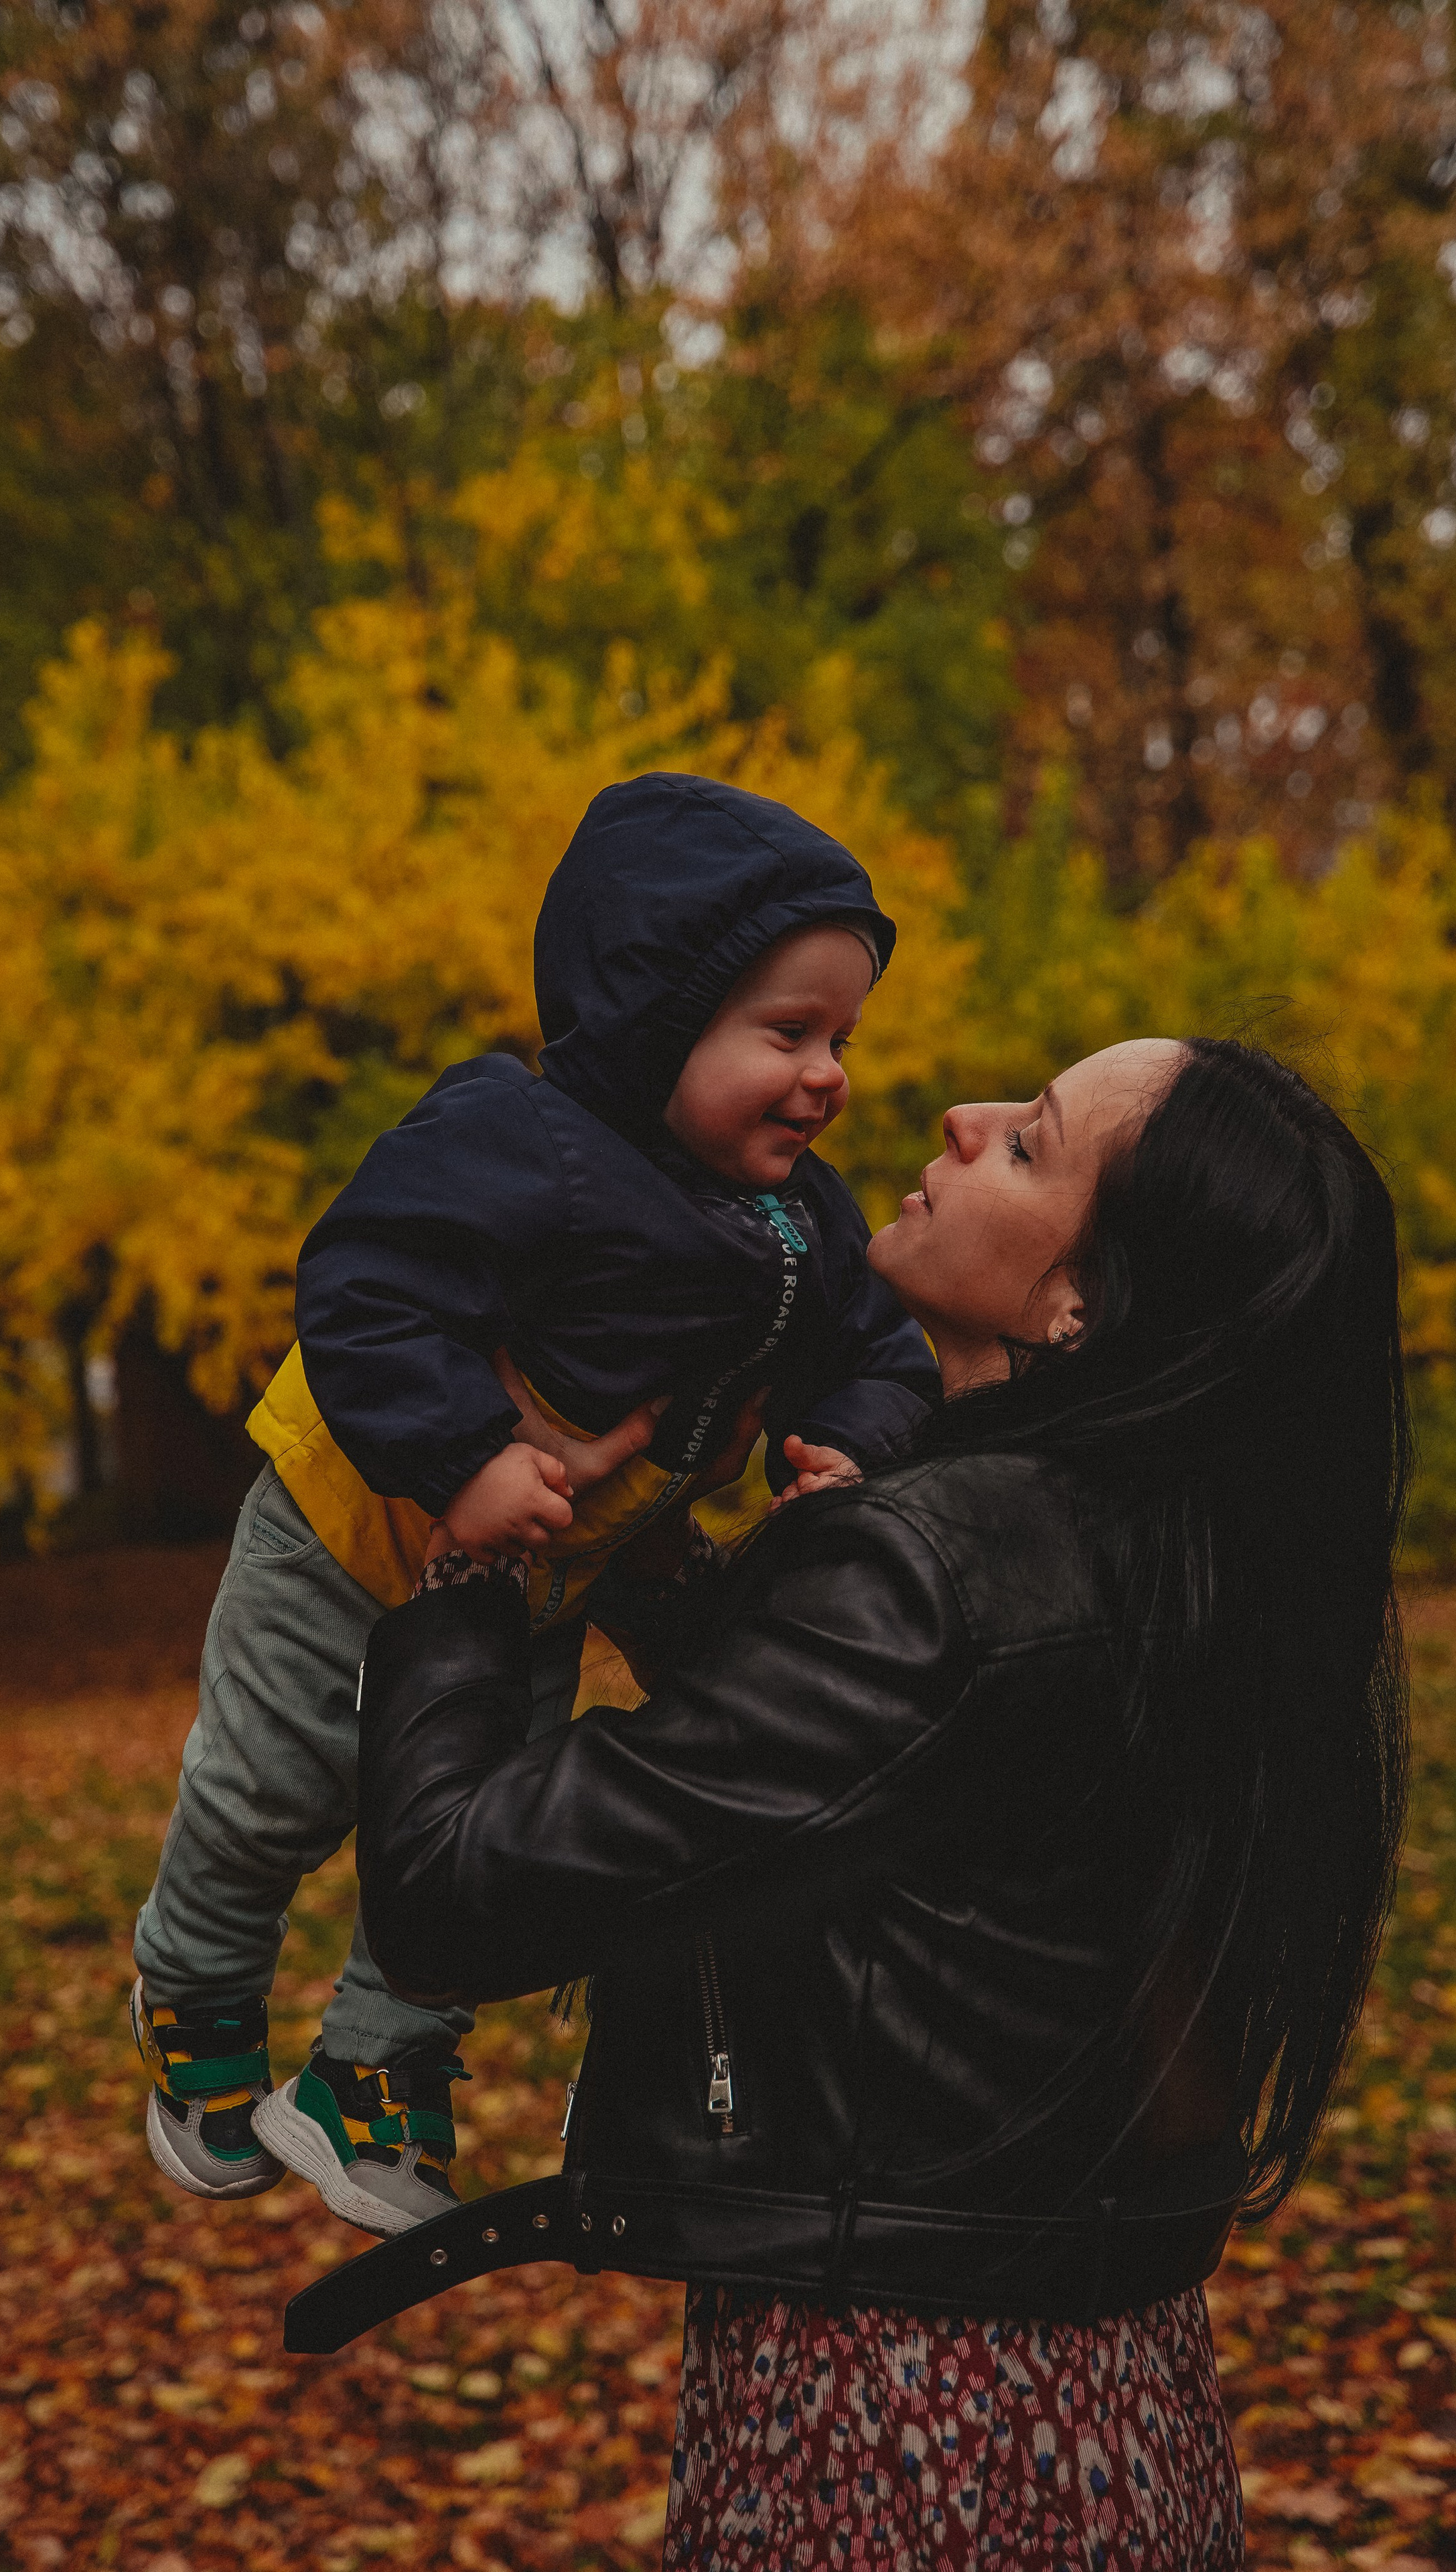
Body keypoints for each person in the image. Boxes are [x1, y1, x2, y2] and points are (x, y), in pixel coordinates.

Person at [344, 1035, 1410, 2569]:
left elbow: (456, 1890)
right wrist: (687, 1567)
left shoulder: (940, 1570)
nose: (960, 1119)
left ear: (1077, 1304)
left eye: (1027, 1147)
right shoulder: (1193, 1557)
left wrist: (461, 1568)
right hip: (1113, 2405)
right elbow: (894, 1786)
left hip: (898, 2433)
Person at [129, 773, 940, 2234]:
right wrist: (460, 1456)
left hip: (537, 1578)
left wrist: (842, 1436)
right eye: (787, 1034)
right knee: (274, 1794)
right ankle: (192, 1984)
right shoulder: (520, 1138)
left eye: (842, 1040)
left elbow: (875, 1346)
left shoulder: (800, 1219)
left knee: (468, 1831)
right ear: (653, 1024)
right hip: (350, 1527)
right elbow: (366, 1286)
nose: (826, 1076)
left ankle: (375, 2077)